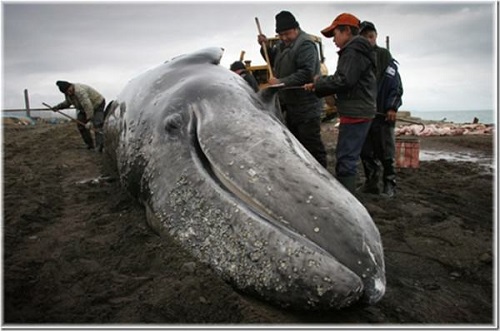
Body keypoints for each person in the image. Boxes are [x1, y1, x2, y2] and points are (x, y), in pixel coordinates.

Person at [304, 13, 376, 193]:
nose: (334, 40)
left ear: (346, 31)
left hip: (355, 112)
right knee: (351, 157)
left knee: (345, 160)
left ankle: (348, 203)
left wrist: (319, 83)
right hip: (360, 110)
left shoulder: (352, 51)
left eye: (335, 34)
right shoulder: (358, 49)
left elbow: (345, 80)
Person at [257, 10, 327, 168]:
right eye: (280, 34)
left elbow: (306, 73)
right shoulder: (284, 45)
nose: (283, 38)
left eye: (287, 33)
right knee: (296, 145)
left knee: (311, 145)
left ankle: (324, 177)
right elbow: (273, 58)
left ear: (296, 29)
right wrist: (265, 47)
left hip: (306, 106)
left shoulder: (305, 45)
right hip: (292, 106)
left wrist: (281, 82)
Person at [358, 21, 403, 197]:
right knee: (365, 151)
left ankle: (389, 183)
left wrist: (392, 107)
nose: (368, 40)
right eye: (364, 37)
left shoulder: (385, 57)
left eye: (371, 36)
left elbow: (395, 85)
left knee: (385, 151)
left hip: (383, 114)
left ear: (375, 36)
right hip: (364, 113)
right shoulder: (358, 57)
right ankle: (372, 181)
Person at [52, 81, 106, 152]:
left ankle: (99, 147)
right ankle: (90, 145)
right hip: (83, 109)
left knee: (97, 124)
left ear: (71, 86)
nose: (69, 93)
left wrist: (90, 120)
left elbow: (88, 106)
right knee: (81, 124)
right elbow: (68, 102)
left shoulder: (80, 91)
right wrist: (58, 107)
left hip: (97, 104)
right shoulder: (68, 94)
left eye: (69, 90)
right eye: (66, 93)